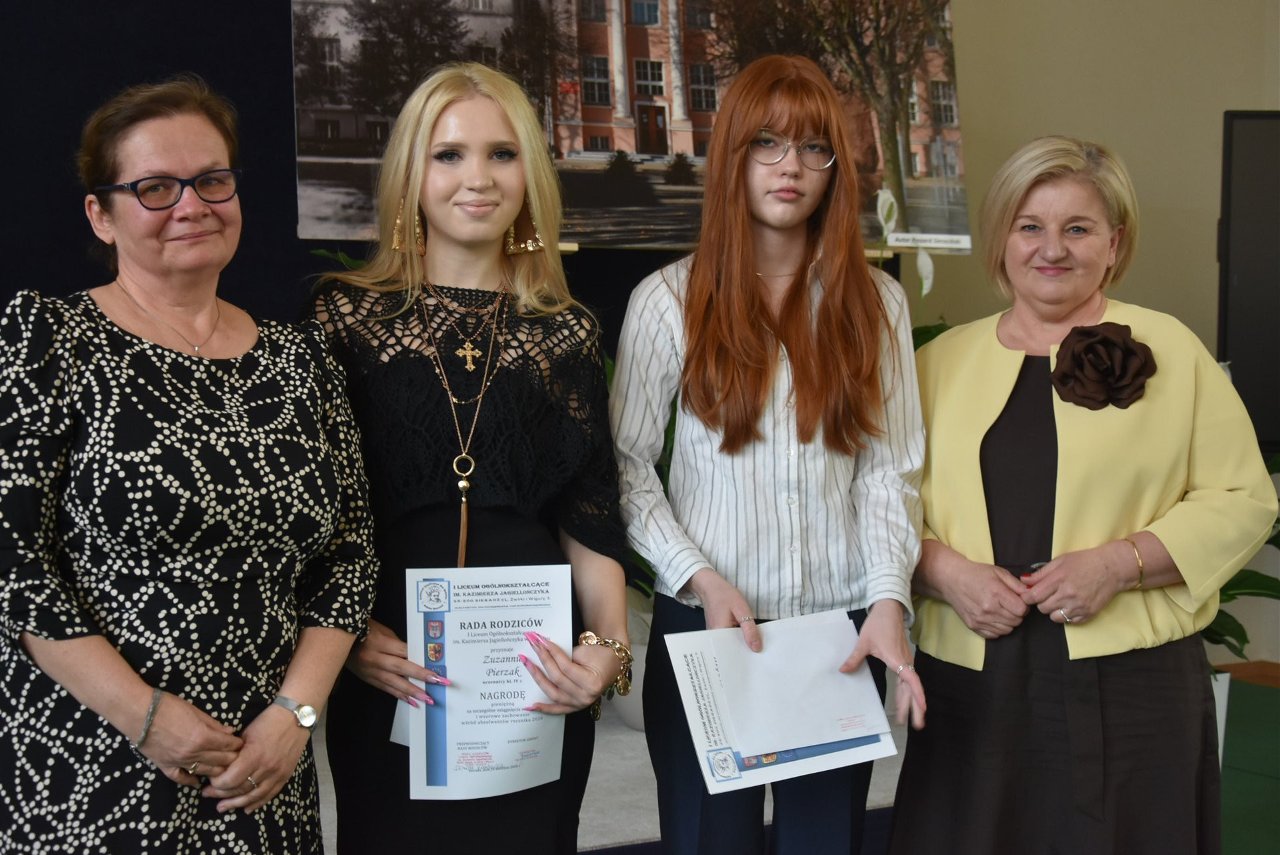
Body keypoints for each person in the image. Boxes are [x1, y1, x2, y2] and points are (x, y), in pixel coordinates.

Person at [0, 75, 377, 853]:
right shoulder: (49, 339)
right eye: (154, 187)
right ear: (100, 215)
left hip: (263, 769)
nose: (191, 205)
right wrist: (144, 716)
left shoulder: (302, 360)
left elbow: (349, 557)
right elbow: (14, 563)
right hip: (95, 762)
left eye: (211, 179)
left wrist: (295, 715)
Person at [888, 136, 1278, 855]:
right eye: (1029, 226)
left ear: (1114, 243)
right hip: (974, 679)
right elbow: (879, 504)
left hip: (1134, 684)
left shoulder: (1173, 350)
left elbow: (1242, 497)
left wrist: (1120, 564)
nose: (1052, 249)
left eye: (1077, 228)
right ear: (1002, 238)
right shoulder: (934, 363)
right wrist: (945, 572)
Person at [310, 62, 631, 855]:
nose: (478, 178)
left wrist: (608, 647)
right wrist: (347, 635)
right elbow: (313, 516)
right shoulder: (343, 319)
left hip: (530, 681)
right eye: (449, 154)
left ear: (531, 172)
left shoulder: (567, 334)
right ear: (410, 173)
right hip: (393, 673)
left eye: (502, 153)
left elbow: (590, 513)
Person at [610, 54, 927, 855]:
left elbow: (890, 470)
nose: (792, 166)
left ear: (836, 168)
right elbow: (625, 466)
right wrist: (698, 575)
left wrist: (888, 598)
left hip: (837, 638)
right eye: (768, 143)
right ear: (732, 156)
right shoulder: (667, 301)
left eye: (815, 147)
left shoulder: (878, 303)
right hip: (708, 630)